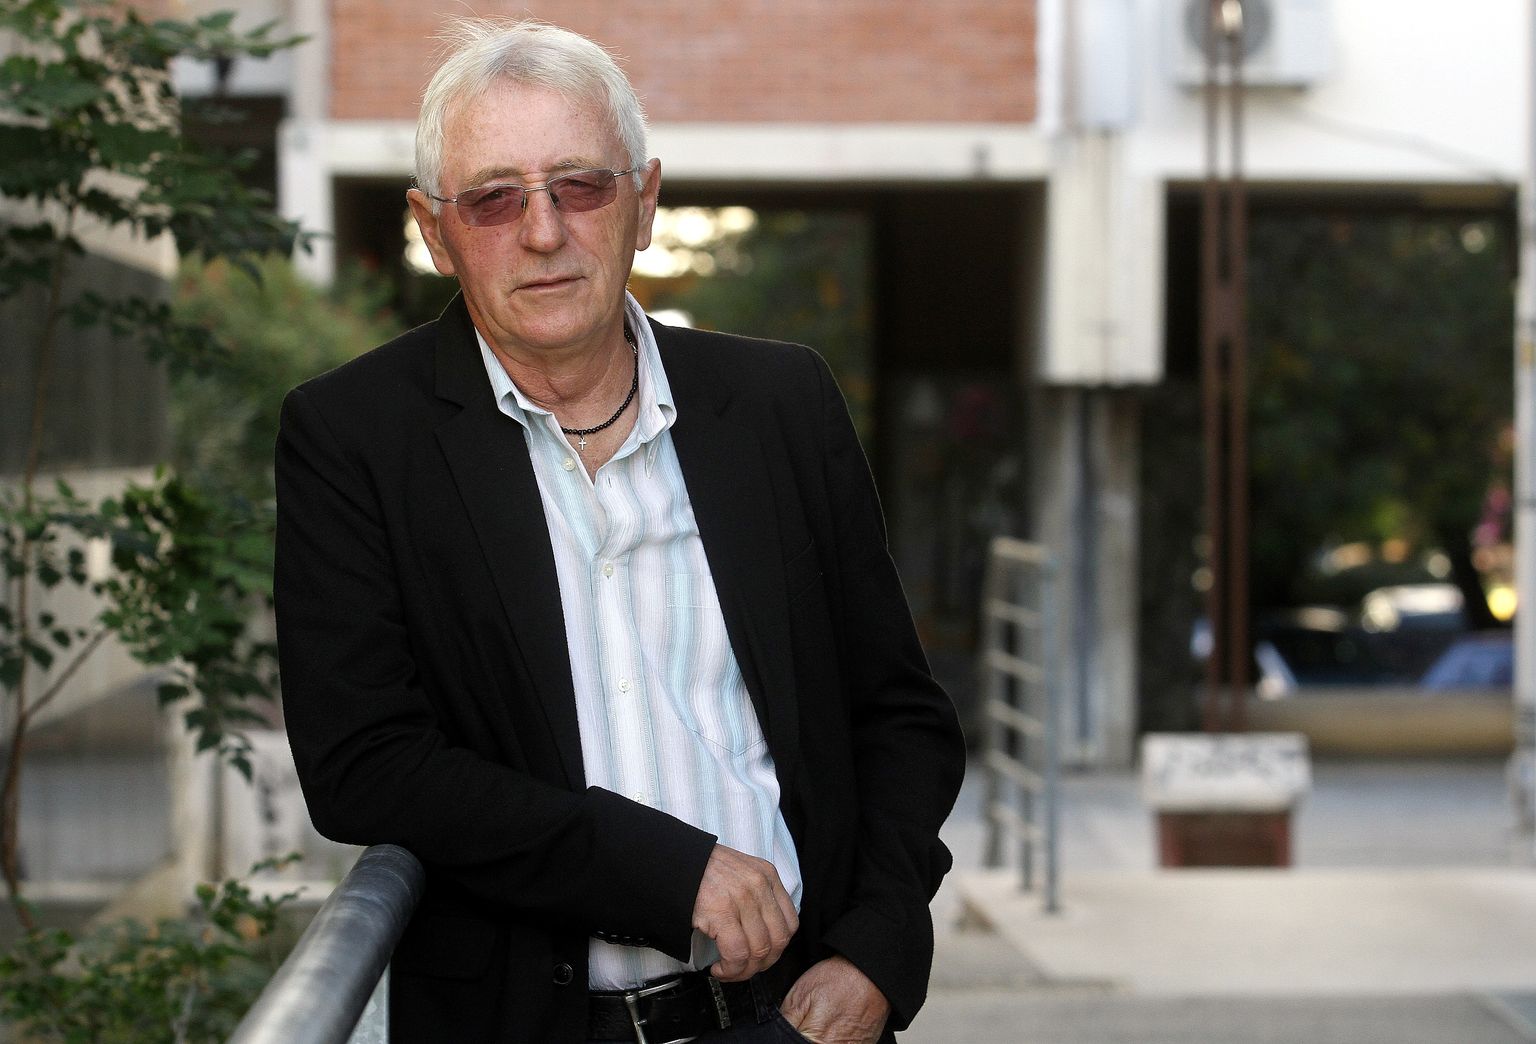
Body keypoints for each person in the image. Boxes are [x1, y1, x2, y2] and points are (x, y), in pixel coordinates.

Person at [274, 18, 964, 1044]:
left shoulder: (780, 405)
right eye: (495, 198)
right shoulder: (354, 437)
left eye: (581, 187)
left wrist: (877, 949)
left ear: (644, 202)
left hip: (793, 1018)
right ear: (434, 230)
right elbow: (364, 764)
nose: (543, 232)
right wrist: (668, 871)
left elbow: (899, 717)